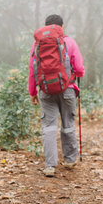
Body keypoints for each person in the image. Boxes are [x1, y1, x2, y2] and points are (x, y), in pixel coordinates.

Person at [29, 14, 85, 177]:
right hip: (67, 89)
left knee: (48, 127)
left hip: (45, 90)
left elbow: (32, 70)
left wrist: (33, 92)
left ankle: (50, 165)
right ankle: (69, 160)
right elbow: (80, 68)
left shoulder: (37, 44)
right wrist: (76, 73)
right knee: (68, 124)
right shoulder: (69, 42)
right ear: (61, 26)